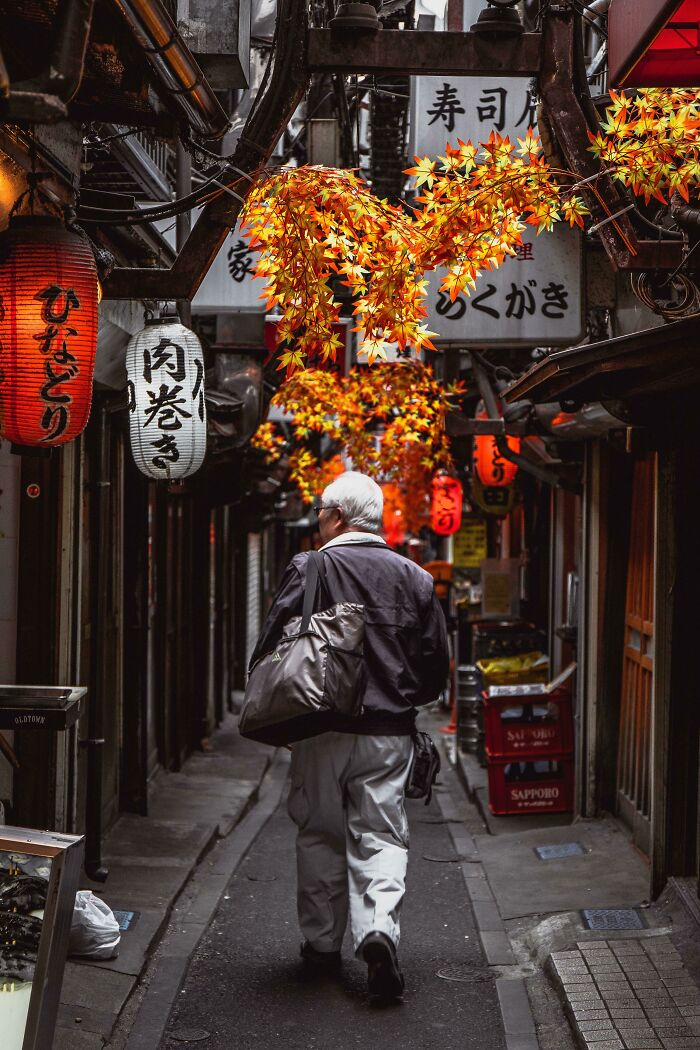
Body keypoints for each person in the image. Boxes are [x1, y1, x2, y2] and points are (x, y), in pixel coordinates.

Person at [249, 471, 449, 1001]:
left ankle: (321, 946)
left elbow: (273, 645)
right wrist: (403, 700)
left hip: (321, 727)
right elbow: (434, 669)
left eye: (320, 512)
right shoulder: (416, 578)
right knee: (382, 834)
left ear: (336, 516)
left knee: (319, 833)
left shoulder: (309, 568)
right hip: (388, 733)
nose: (317, 521)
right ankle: (378, 928)